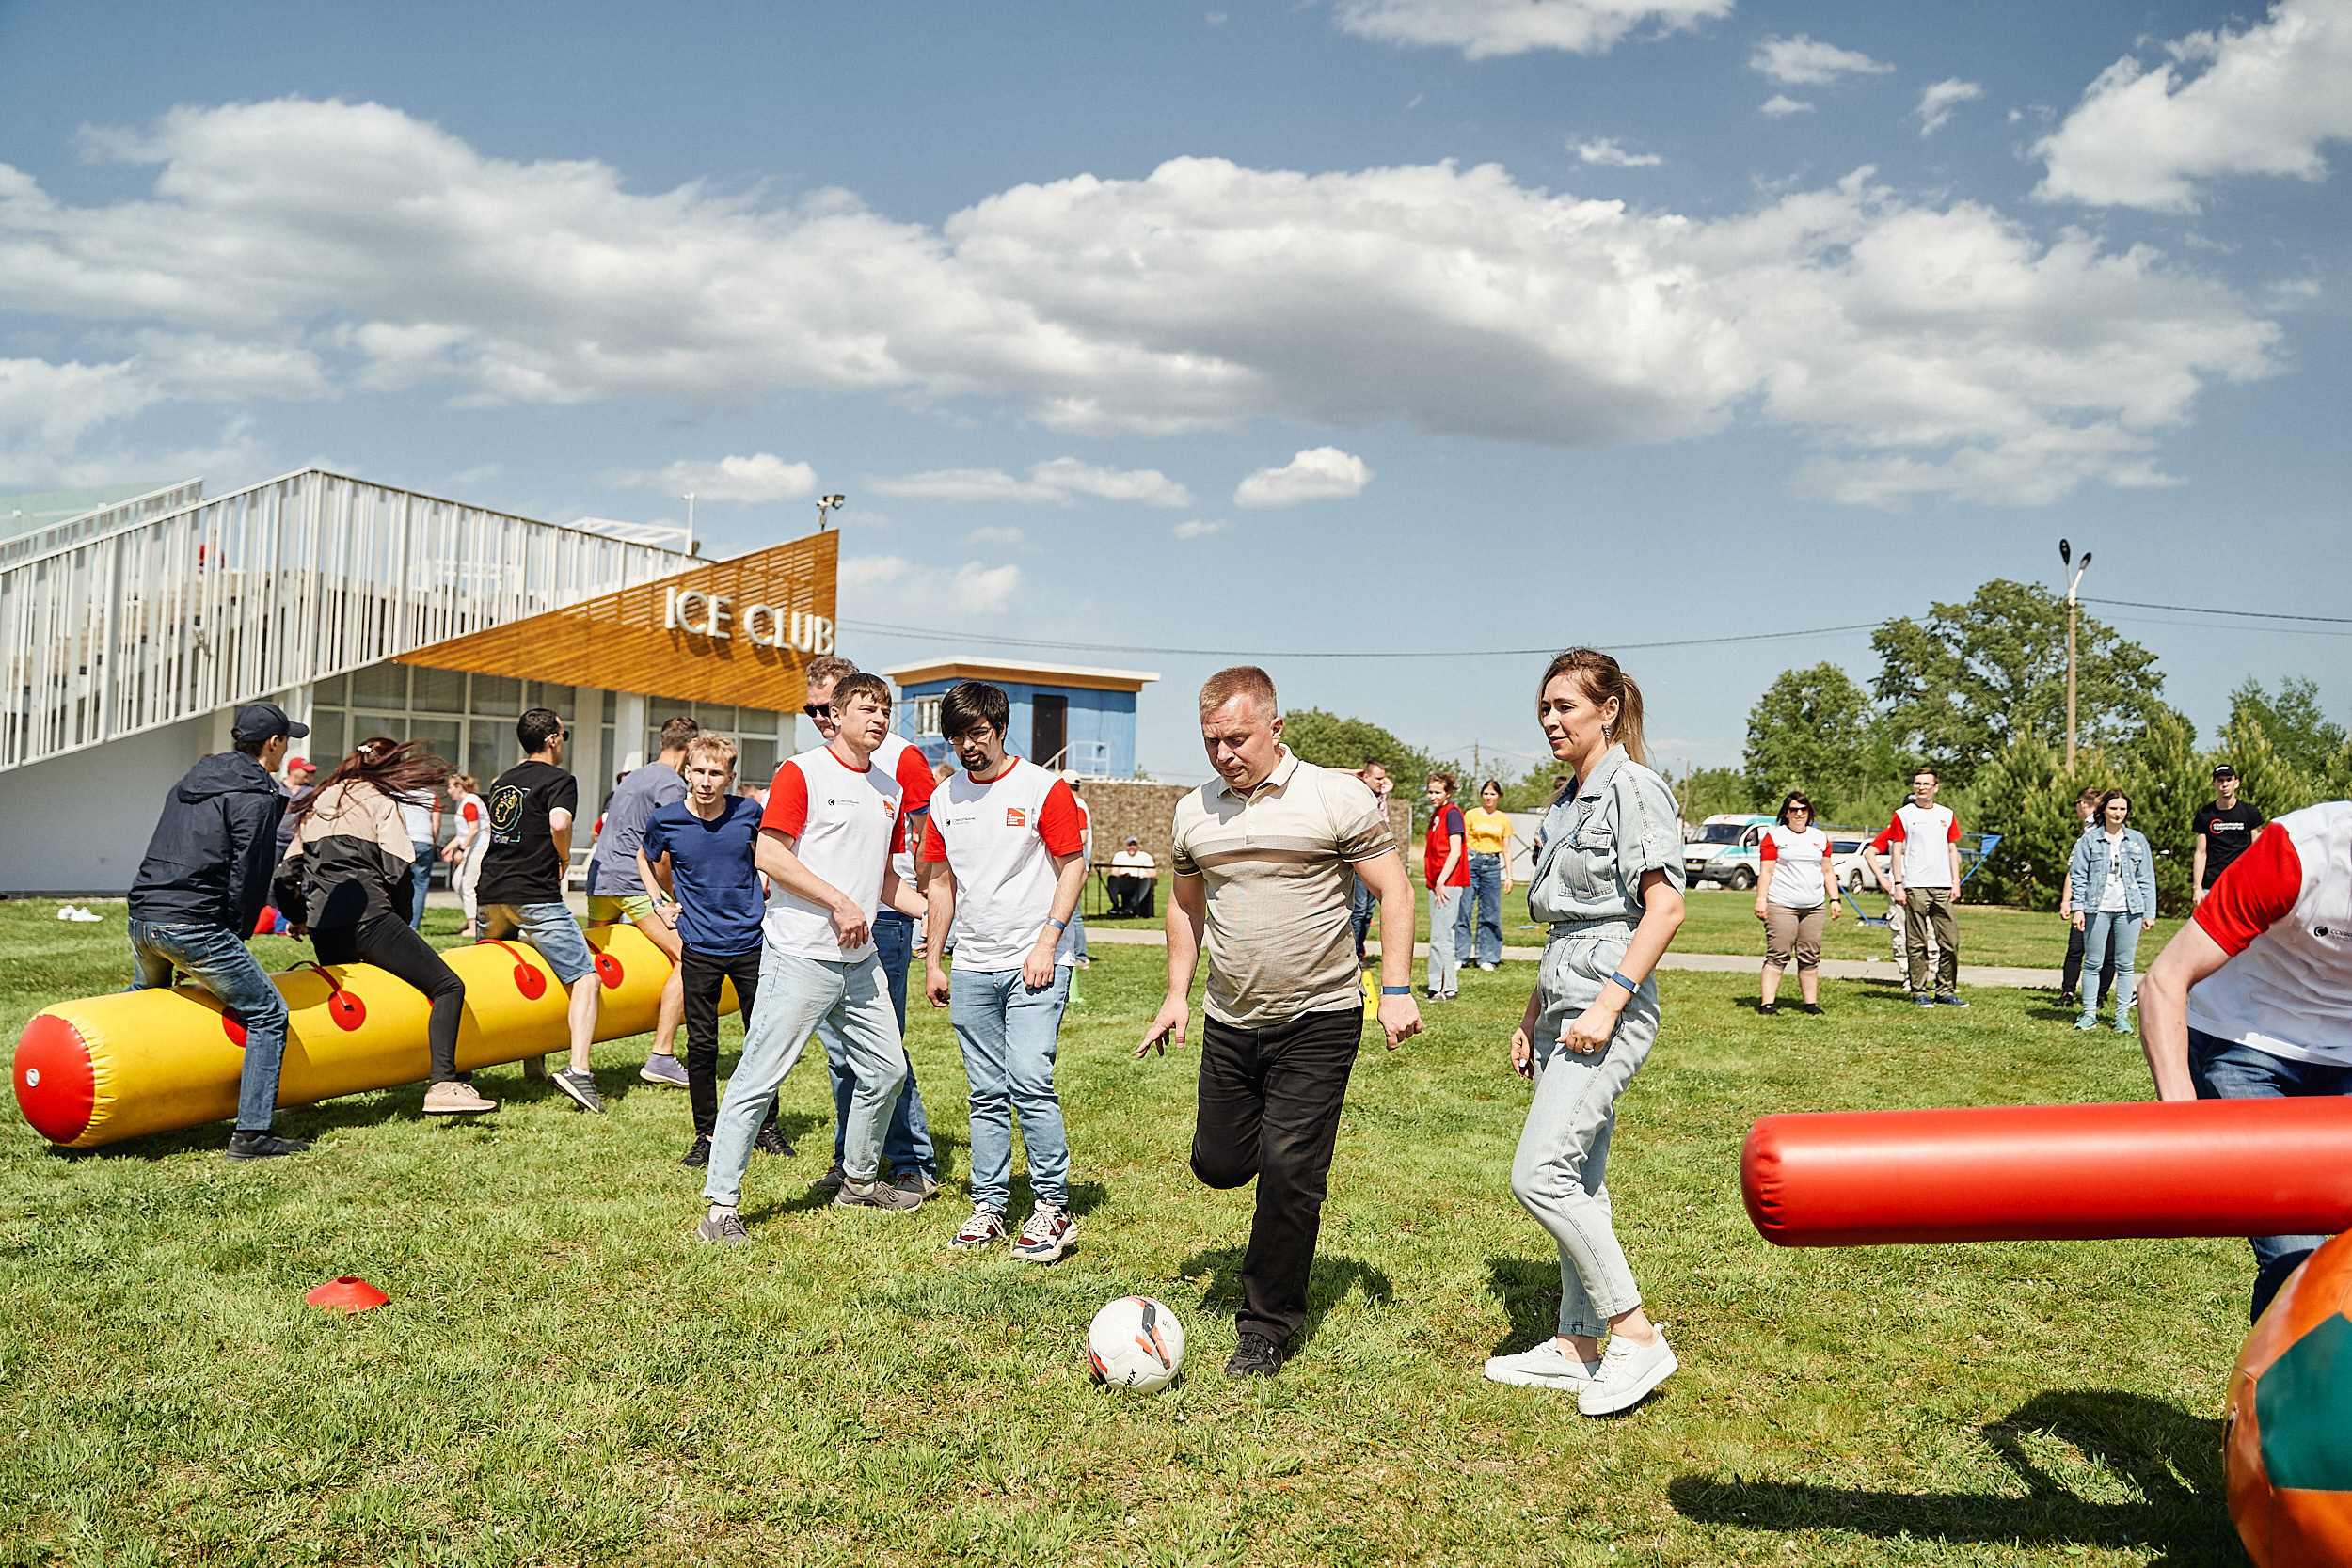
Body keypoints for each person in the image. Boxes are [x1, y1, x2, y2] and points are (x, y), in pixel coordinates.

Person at [1138, 666, 1422, 1378]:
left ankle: (1266, 1326)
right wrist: (1176, 993)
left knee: (1291, 1170)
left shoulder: (1336, 796)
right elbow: (1185, 904)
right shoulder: (1193, 811)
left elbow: (1393, 889)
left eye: (1237, 738)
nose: (1224, 753)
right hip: (1230, 1017)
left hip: (1320, 1016)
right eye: (1212, 740)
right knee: (1220, 1163)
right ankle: (1277, 1163)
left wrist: (1394, 988)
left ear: (1275, 727)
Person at [1483, 648, 1687, 1416]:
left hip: (1606, 1001)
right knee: (1579, 1178)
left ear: (1608, 710)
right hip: (1561, 996)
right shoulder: (1566, 800)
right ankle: (1577, 1343)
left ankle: (1635, 1334)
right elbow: (1565, 924)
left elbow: (1664, 908)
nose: (1550, 720)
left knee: (1540, 1174)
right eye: (1544, 707)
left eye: (1565, 706)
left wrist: (1608, 1004)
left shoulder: (1634, 788)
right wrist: (1531, 1014)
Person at [695, 673, 929, 1243]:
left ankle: (858, 1180)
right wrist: (839, 902)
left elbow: (882, 879)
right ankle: (720, 1208)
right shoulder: (802, 772)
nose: (880, 718)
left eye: (885, 710)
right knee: (760, 1077)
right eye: (867, 709)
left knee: (888, 1070)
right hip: (800, 954)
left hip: (861, 959)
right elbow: (770, 855)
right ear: (837, 715)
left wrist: (936, 915)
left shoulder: (890, 788)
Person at [2137, 800, 2352, 1321]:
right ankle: (2283, 1374)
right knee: (2298, 1255)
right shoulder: (2301, 850)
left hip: (2345, 1057)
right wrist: (2181, 1124)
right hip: (2245, 1045)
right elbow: (2163, 982)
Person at [922, 681, 1090, 1261]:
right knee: (986, 1092)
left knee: (1030, 1080)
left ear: (999, 728)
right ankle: (988, 1207)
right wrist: (935, 959)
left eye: (977, 733)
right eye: (957, 737)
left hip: (1034, 961)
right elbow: (940, 884)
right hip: (972, 964)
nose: (968, 746)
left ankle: (1053, 1209)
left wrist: (1047, 941)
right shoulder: (944, 799)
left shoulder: (1043, 789)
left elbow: (1073, 867)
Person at [127, 702, 311, 1160]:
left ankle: (128, 1106)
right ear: (274, 744)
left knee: (145, 1006)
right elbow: (250, 872)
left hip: (145, 915)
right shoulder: (256, 794)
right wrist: (237, 928)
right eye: (286, 741)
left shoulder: (192, 780)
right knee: (268, 1013)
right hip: (192, 922)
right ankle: (252, 1135)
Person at [275, 738, 494, 1116]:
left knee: (345, 1004)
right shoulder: (380, 801)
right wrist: (401, 923)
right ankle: (444, 1083)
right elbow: (398, 871)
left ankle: (302, 1091)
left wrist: (298, 917)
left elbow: (285, 877)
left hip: (324, 925)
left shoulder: (318, 801)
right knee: (447, 985)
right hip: (370, 918)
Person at [799, 656, 942, 1204]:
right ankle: (850, 1160)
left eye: (828, 707)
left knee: (883, 1049)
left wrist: (925, 911)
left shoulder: (900, 757)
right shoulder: (815, 764)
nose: (822, 719)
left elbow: (930, 839)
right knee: (840, 1054)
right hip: (826, 919)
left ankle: (911, 1164)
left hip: (885, 915)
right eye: (812, 710)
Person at [638, 735, 787, 1166]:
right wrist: (658, 902)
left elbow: (776, 854)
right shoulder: (666, 819)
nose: (706, 781)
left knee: (761, 1039)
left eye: (715, 773)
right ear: (687, 772)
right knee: (702, 1045)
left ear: (730, 778)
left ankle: (767, 1126)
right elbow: (644, 857)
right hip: (699, 947)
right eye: (699, 771)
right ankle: (706, 1134)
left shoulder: (749, 813)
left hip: (751, 943)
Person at [476, 707, 605, 1113]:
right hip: (533, 892)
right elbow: (560, 822)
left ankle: (510, 1063)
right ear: (552, 739)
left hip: (491, 890)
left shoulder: (503, 780)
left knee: (495, 977)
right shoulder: (560, 780)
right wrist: (563, 858)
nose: (564, 742)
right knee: (585, 979)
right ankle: (579, 1070)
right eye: (563, 736)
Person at [587, 714, 697, 1088]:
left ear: (663, 742)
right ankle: (662, 1055)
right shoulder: (671, 783)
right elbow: (665, 849)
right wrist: (675, 896)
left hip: (601, 879)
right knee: (690, 957)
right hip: (634, 882)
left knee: (591, 964)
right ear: (689, 748)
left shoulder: (635, 775)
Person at [2066, 789, 2157, 1032]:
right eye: (2113, 808)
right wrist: (2078, 908)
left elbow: (2146, 878)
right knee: (2092, 963)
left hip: (2129, 910)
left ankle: (2122, 1018)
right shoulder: (2089, 840)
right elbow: (2078, 876)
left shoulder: (2137, 840)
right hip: (2097, 909)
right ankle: (2088, 1014)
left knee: (2125, 965)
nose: (2118, 813)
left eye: (2122, 809)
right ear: (2103, 810)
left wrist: (2149, 912)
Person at [1882, 767, 1965, 1008]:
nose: (1921, 788)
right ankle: (1919, 990)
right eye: (1918, 783)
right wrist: (1899, 884)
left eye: (1926, 784)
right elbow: (1897, 850)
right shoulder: (1903, 815)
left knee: (1950, 942)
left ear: (1935, 788)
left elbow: (1952, 849)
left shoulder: (1946, 814)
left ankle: (1945, 990)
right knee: (1916, 942)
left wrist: (1955, 881)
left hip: (1942, 886)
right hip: (1915, 885)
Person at [1755, 790, 1839, 1015]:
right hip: (1782, 903)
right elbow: (1766, 871)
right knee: (1778, 953)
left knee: (1810, 955)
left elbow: (1828, 871)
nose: (1799, 814)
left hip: (1814, 906)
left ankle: (1811, 1004)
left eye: (1803, 809)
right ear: (1786, 813)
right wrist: (1761, 900)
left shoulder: (1819, 837)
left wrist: (1835, 899)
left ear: (1809, 812)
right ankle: (1767, 1004)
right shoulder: (1775, 837)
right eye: (1794, 810)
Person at [2058, 786, 2118, 1012]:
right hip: (2087, 901)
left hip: (2113, 903)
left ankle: (2099, 995)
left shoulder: (2122, 837)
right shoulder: (2087, 837)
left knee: (2108, 953)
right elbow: (2075, 871)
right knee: (2076, 949)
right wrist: (2067, 901)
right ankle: (2069, 991)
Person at [1464, 780, 1518, 972]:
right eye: (1486, 793)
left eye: (1492, 794)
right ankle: (1460, 955)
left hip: (1493, 866)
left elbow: (1507, 850)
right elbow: (1462, 842)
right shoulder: (1471, 815)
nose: (1488, 797)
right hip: (1471, 862)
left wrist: (1509, 876)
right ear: (1482, 795)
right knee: (1464, 910)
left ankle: (1487, 957)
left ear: (1499, 796)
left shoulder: (1503, 819)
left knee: (1490, 912)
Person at [2193, 764, 2265, 909]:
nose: (2224, 784)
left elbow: (2258, 851)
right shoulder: (2204, 814)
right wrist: (2197, 888)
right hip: (2212, 884)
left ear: (2236, 783)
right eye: (2220, 780)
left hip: (2242, 883)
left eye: (2228, 780)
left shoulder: (2250, 813)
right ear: (2214, 785)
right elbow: (2200, 853)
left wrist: (2258, 884)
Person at [1423, 773, 1469, 1000]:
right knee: (1436, 937)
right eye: (1430, 792)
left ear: (1448, 793)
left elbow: (1455, 851)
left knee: (1443, 937)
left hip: (1448, 883)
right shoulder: (1436, 815)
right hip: (1437, 884)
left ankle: (1448, 988)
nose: (1433, 796)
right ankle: (1435, 986)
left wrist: (1441, 881)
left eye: (1437, 792)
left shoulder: (1452, 814)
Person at [1349, 761, 1394, 959]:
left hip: (1379, 858)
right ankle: (1353, 955)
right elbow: (1327, 771)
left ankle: (1360, 952)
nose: (1382, 782)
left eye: (1383, 778)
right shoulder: (1357, 792)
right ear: (1365, 777)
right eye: (1378, 778)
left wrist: (1376, 777)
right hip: (1363, 856)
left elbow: (1389, 783)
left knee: (1368, 911)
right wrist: (1355, 772)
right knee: (1359, 910)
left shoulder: (1381, 794)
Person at [439, 772, 489, 939]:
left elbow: (474, 830)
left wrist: (461, 850)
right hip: (472, 846)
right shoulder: (468, 802)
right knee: (457, 882)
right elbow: (465, 832)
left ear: (459, 787)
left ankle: (474, 927)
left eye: (450, 787)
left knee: (468, 885)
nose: (449, 791)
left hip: (478, 847)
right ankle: (471, 919)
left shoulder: (469, 803)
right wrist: (451, 846)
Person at [398, 772, 440, 932]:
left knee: (398, 882)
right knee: (420, 884)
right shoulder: (431, 796)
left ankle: (398, 920)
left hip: (403, 839)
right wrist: (433, 843)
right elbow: (436, 824)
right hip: (424, 840)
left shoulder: (398, 793)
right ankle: (413, 925)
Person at [1108, 836, 1157, 918]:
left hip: (1139, 881)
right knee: (1112, 879)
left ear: (1137, 846)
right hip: (1124, 880)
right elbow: (1114, 872)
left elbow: (1153, 873)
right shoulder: (1119, 855)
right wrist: (1124, 875)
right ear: (1126, 845)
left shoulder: (1145, 856)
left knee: (1146, 881)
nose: (1132, 847)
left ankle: (1130, 906)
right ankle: (1116, 906)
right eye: (1129, 845)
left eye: (1134, 845)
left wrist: (1140, 876)